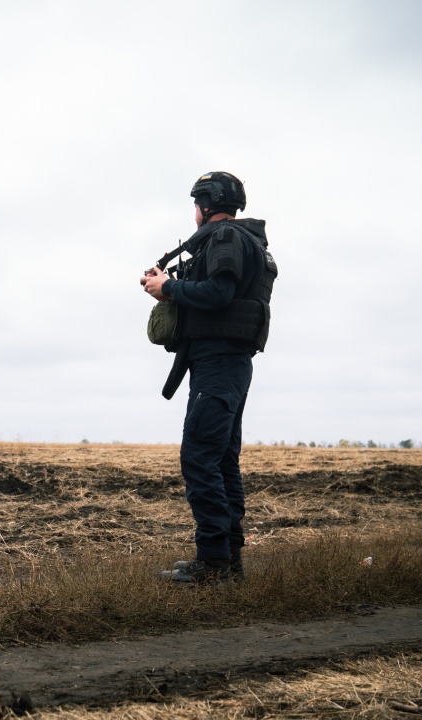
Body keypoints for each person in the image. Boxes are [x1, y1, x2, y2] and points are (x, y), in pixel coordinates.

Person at [140, 171, 277, 584]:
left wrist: (169, 289)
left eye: (195, 205)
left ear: (204, 205)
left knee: (200, 459)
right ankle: (228, 562)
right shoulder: (241, 240)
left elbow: (219, 294)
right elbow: (219, 292)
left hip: (219, 365)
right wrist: (170, 282)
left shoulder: (226, 238)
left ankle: (213, 564)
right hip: (226, 364)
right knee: (221, 461)